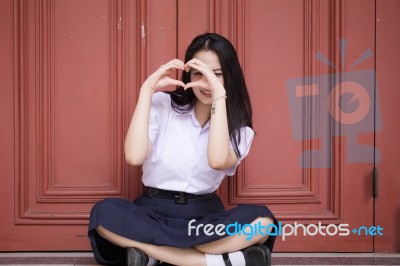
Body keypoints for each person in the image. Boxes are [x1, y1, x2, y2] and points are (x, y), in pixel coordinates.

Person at [88, 33, 278, 266]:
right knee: (103, 214)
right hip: (153, 213)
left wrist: (219, 96)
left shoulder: (240, 129)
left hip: (204, 219)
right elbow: (134, 156)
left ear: (230, 76)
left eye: (216, 74)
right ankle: (217, 263)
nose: (207, 83)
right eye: (199, 73)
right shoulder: (162, 104)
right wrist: (146, 91)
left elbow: (218, 161)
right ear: (188, 75)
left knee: (263, 222)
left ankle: (153, 256)